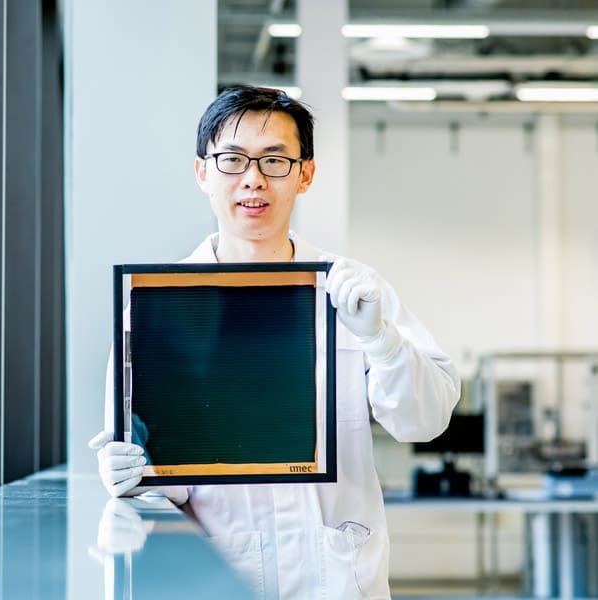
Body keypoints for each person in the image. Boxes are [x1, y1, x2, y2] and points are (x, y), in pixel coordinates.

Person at [88, 85, 460, 599]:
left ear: (305, 174)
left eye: (275, 161)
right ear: (202, 173)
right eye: (232, 160)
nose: (253, 180)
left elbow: (426, 420)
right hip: (218, 583)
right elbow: (167, 479)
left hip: (340, 584)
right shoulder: (155, 309)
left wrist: (380, 340)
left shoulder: (353, 290)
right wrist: (133, 473)